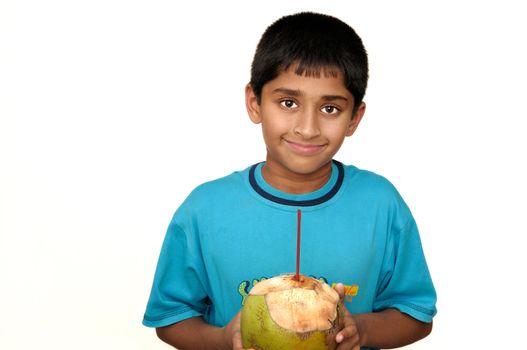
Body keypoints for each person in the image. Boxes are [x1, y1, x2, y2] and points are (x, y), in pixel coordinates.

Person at [142, 11, 437, 350]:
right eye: (288, 102)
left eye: (330, 109)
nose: (307, 127)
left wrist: (363, 330)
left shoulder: (381, 204)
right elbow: (170, 319)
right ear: (255, 103)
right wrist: (222, 339)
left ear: (355, 117)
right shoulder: (204, 209)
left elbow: (416, 314)